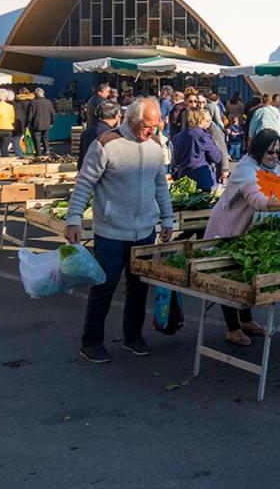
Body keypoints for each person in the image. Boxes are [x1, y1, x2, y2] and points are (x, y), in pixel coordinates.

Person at [65, 98, 175, 363]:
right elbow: (84, 184)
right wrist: (73, 219)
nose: (152, 131)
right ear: (132, 121)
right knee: (104, 285)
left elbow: (160, 185)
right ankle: (91, 342)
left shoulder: (155, 146)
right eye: (147, 126)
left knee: (138, 288)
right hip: (111, 231)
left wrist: (168, 219)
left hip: (145, 231)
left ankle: (133, 336)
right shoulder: (105, 144)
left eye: (155, 125)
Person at [206, 130, 280, 345]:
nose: (274, 156)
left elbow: (275, 190)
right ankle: (232, 328)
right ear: (258, 150)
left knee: (246, 273)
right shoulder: (246, 171)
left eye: (278, 152)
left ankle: (246, 320)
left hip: (247, 229)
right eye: (270, 151)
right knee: (228, 277)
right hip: (227, 227)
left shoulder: (268, 167)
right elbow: (258, 201)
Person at [169, 109, 223, 191]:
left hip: (184, 176)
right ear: (200, 120)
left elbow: (176, 160)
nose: (209, 124)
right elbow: (216, 157)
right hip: (203, 176)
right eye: (207, 121)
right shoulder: (203, 136)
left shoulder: (179, 136)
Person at [79, 100, 121, 166]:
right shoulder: (112, 135)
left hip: (87, 171)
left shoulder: (86, 132)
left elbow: (81, 159)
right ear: (116, 116)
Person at [27, 87, 56, 156]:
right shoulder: (48, 102)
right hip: (46, 124)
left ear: (35, 94)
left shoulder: (33, 102)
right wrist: (52, 122)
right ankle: (47, 151)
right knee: (45, 138)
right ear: (43, 94)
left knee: (37, 139)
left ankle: (38, 154)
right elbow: (53, 113)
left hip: (36, 124)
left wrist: (28, 124)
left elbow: (30, 115)